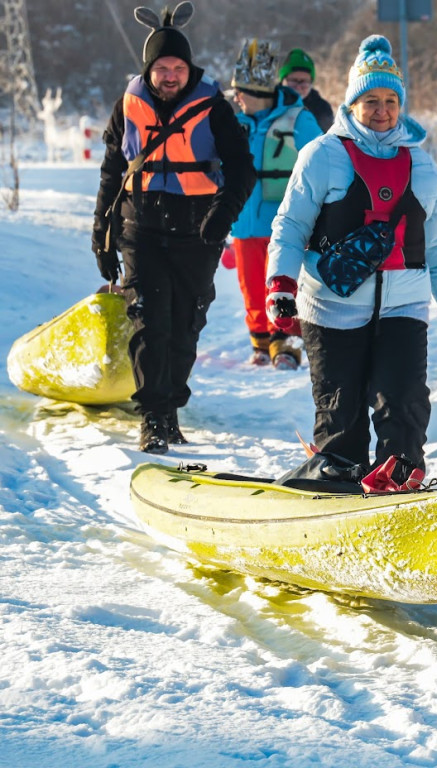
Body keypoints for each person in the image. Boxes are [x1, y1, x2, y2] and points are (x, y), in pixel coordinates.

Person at [267, 34, 437, 482]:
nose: (382, 110)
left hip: (404, 305)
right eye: (371, 100)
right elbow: (291, 226)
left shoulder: (423, 167)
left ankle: (399, 482)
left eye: (391, 101)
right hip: (331, 307)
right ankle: (336, 483)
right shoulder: (322, 156)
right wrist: (280, 285)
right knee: (342, 414)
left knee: (405, 404)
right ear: (352, 104)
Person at [91, 2, 256, 454]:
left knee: (186, 324)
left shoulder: (214, 108)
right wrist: (101, 234)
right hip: (140, 227)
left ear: (189, 69)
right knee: (149, 322)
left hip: (197, 231)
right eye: (162, 68)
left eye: (178, 68)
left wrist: (222, 215)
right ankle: (153, 417)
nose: (170, 76)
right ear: (148, 70)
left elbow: (242, 169)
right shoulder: (128, 106)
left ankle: (170, 411)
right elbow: (111, 172)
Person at [229, 38, 323, 369]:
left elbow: (322, 163)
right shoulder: (235, 123)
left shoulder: (298, 120)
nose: (236, 98)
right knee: (251, 289)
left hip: (284, 225)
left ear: (258, 92)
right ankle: (260, 341)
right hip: (243, 224)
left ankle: (286, 343)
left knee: (282, 286)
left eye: (240, 91)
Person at [279, 48, 334, 133]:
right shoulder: (269, 102)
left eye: (304, 82)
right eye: (293, 81)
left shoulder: (322, 109)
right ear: (283, 81)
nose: (298, 87)